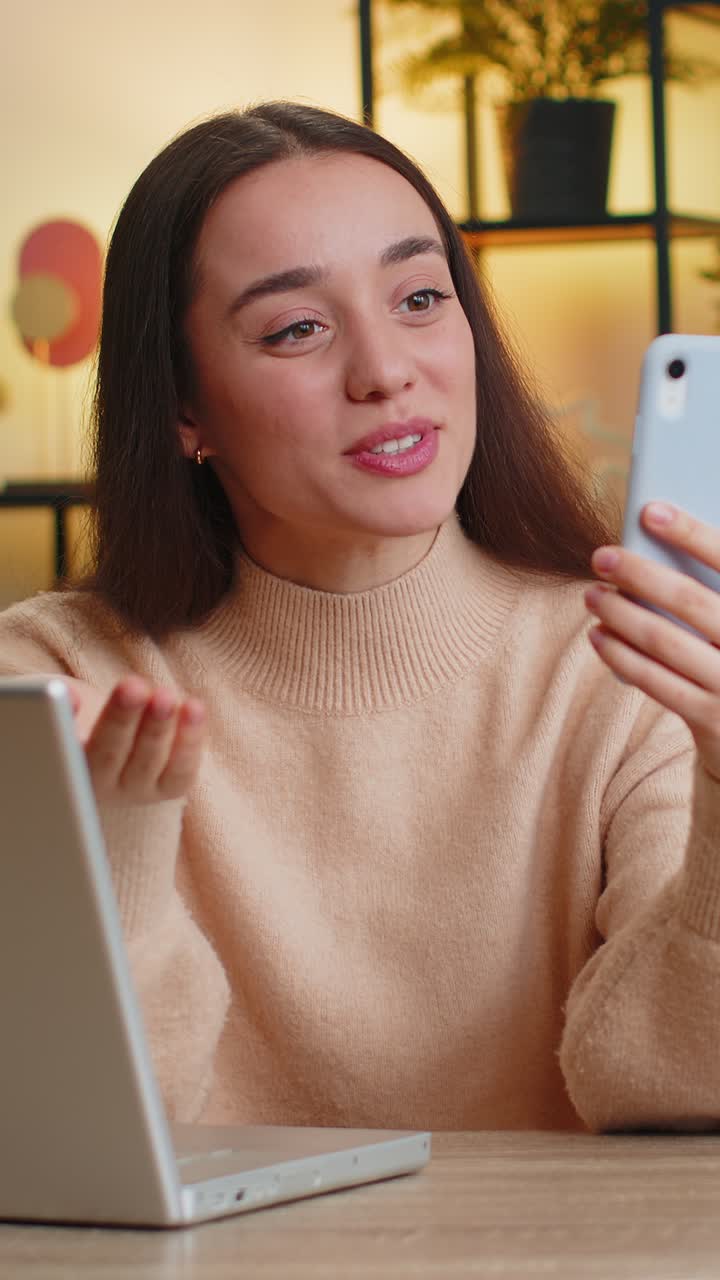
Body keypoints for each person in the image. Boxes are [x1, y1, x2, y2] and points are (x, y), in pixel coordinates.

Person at [2, 101, 720, 1134]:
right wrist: (111, 870)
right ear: (182, 406)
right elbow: (56, 1143)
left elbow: (665, 1089)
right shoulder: (58, 675)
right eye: (297, 327)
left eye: (421, 296)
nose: (386, 370)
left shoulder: (625, 663)